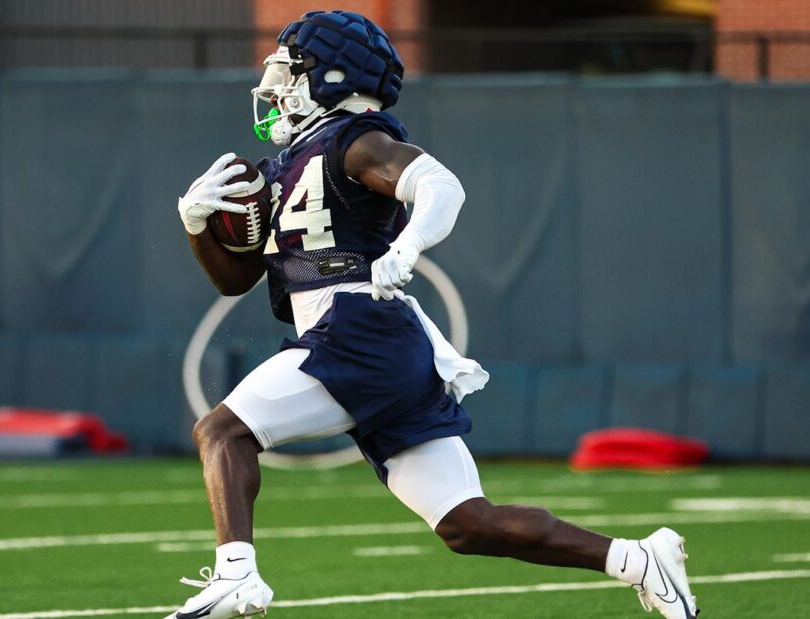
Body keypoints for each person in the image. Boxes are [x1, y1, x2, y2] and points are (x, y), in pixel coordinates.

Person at [169, 10, 698, 619]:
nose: (278, 85)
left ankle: (236, 575)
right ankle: (639, 560)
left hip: (359, 331)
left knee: (221, 431)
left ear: (334, 77)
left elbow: (441, 186)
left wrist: (408, 245)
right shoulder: (288, 164)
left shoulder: (356, 139)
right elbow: (235, 280)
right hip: (372, 345)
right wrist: (196, 227)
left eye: (293, 71)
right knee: (468, 524)